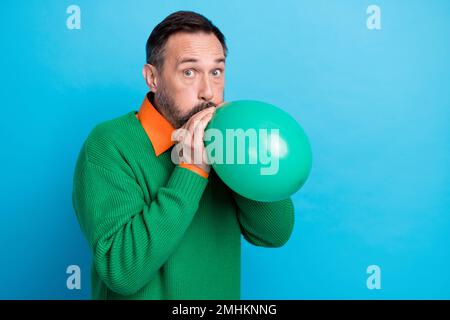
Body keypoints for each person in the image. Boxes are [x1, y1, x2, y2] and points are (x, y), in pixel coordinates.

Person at [72, 10, 294, 300]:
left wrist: (249, 158)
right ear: (152, 78)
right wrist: (192, 169)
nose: (208, 92)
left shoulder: (230, 142)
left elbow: (274, 233)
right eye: (189, 72)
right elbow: (122, 272)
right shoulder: (107, 145)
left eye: (216, 72)